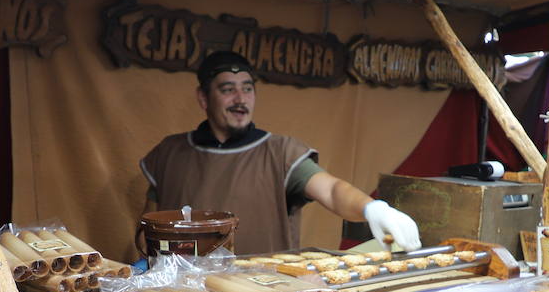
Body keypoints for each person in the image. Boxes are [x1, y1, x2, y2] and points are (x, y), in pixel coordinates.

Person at [139, 50, 421, 255]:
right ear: (203, 98)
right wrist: (145, 261)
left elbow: (332, 190)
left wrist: (371, 208)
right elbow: (148, 222)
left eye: (247, 89)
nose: (241, 99)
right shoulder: (170, 152)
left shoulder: (281, 153)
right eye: (228, 90)